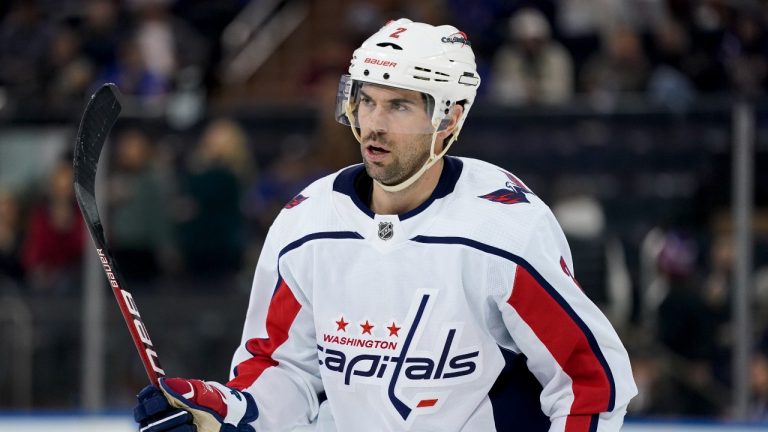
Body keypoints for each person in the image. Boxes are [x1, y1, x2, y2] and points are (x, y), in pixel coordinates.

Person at [134, 19, 637, 431]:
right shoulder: (307, 224)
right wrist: (219, 411)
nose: (373, 123)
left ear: (449, 118)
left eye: (398, 105)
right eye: (366, 100)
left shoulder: (504, 231)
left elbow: (591, 380)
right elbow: (282, 372)